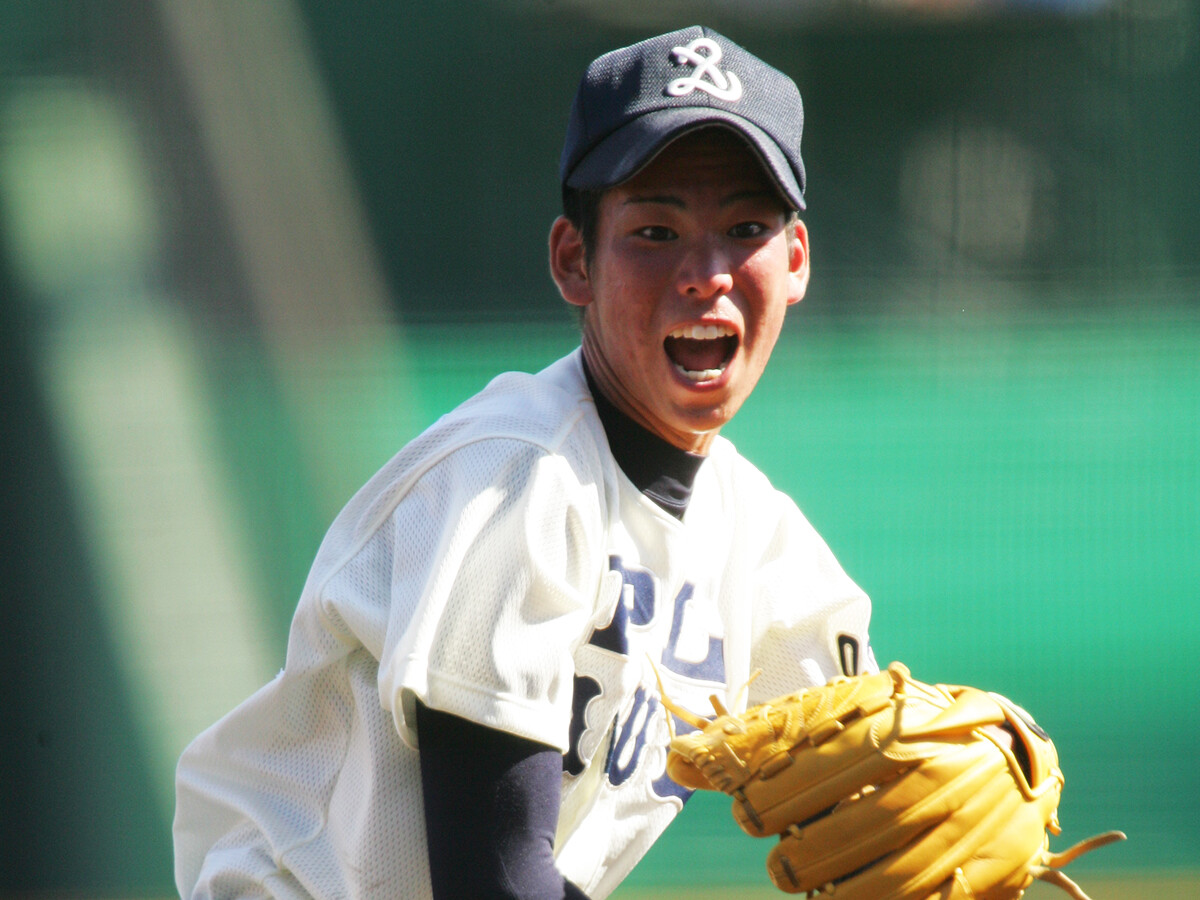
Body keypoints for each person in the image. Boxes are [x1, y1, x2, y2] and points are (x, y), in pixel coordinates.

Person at [173, 25, 875, 900]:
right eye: (656, 230)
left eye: (745, 228)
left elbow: (871, 773)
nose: (706, 273)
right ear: (574, 261)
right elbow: (492, 882)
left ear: (797, 262)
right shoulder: (516, 478)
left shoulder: (765, 549)